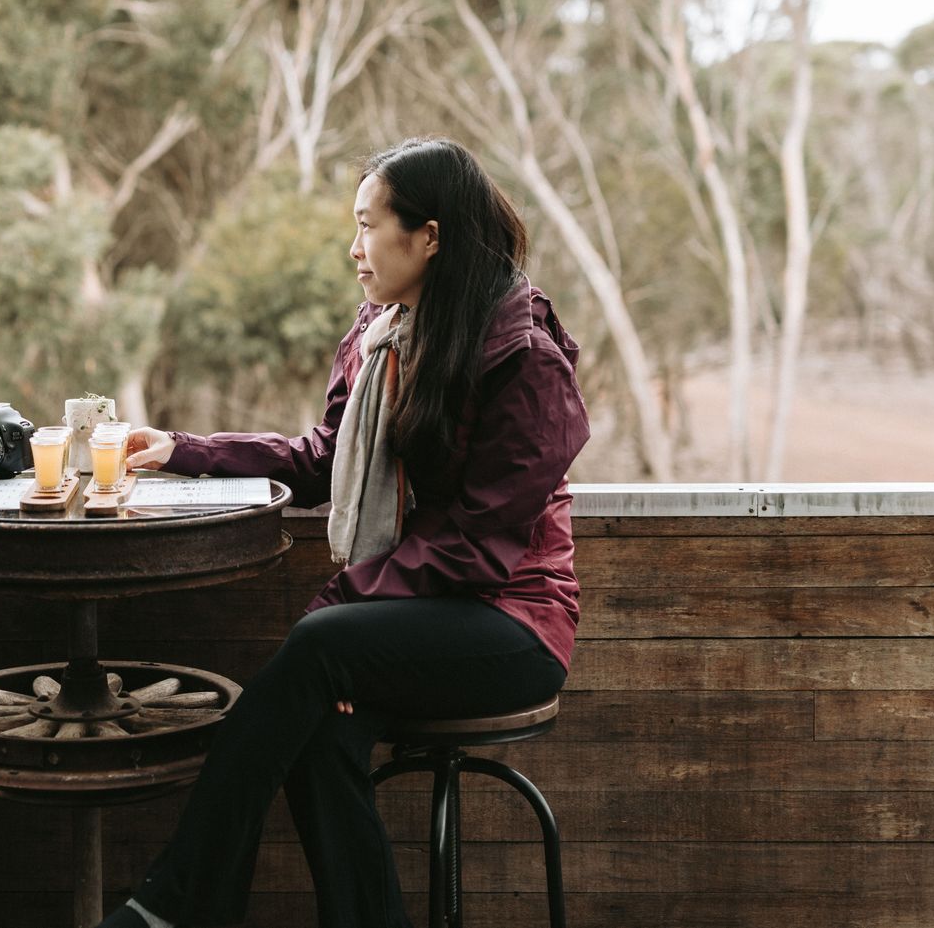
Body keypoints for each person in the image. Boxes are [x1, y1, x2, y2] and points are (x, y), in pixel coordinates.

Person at [96, 136, 589, 928]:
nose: (353, 248)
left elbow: (476, 545)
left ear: (428, 235)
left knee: (319, 647)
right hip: (417, 615)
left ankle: (173, 905)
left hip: (512, 622)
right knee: (321, 730)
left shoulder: (523, 359)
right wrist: (182, 450)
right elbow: (323, 457)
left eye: (369, 225)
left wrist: (342, 606)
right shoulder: (383, 333)